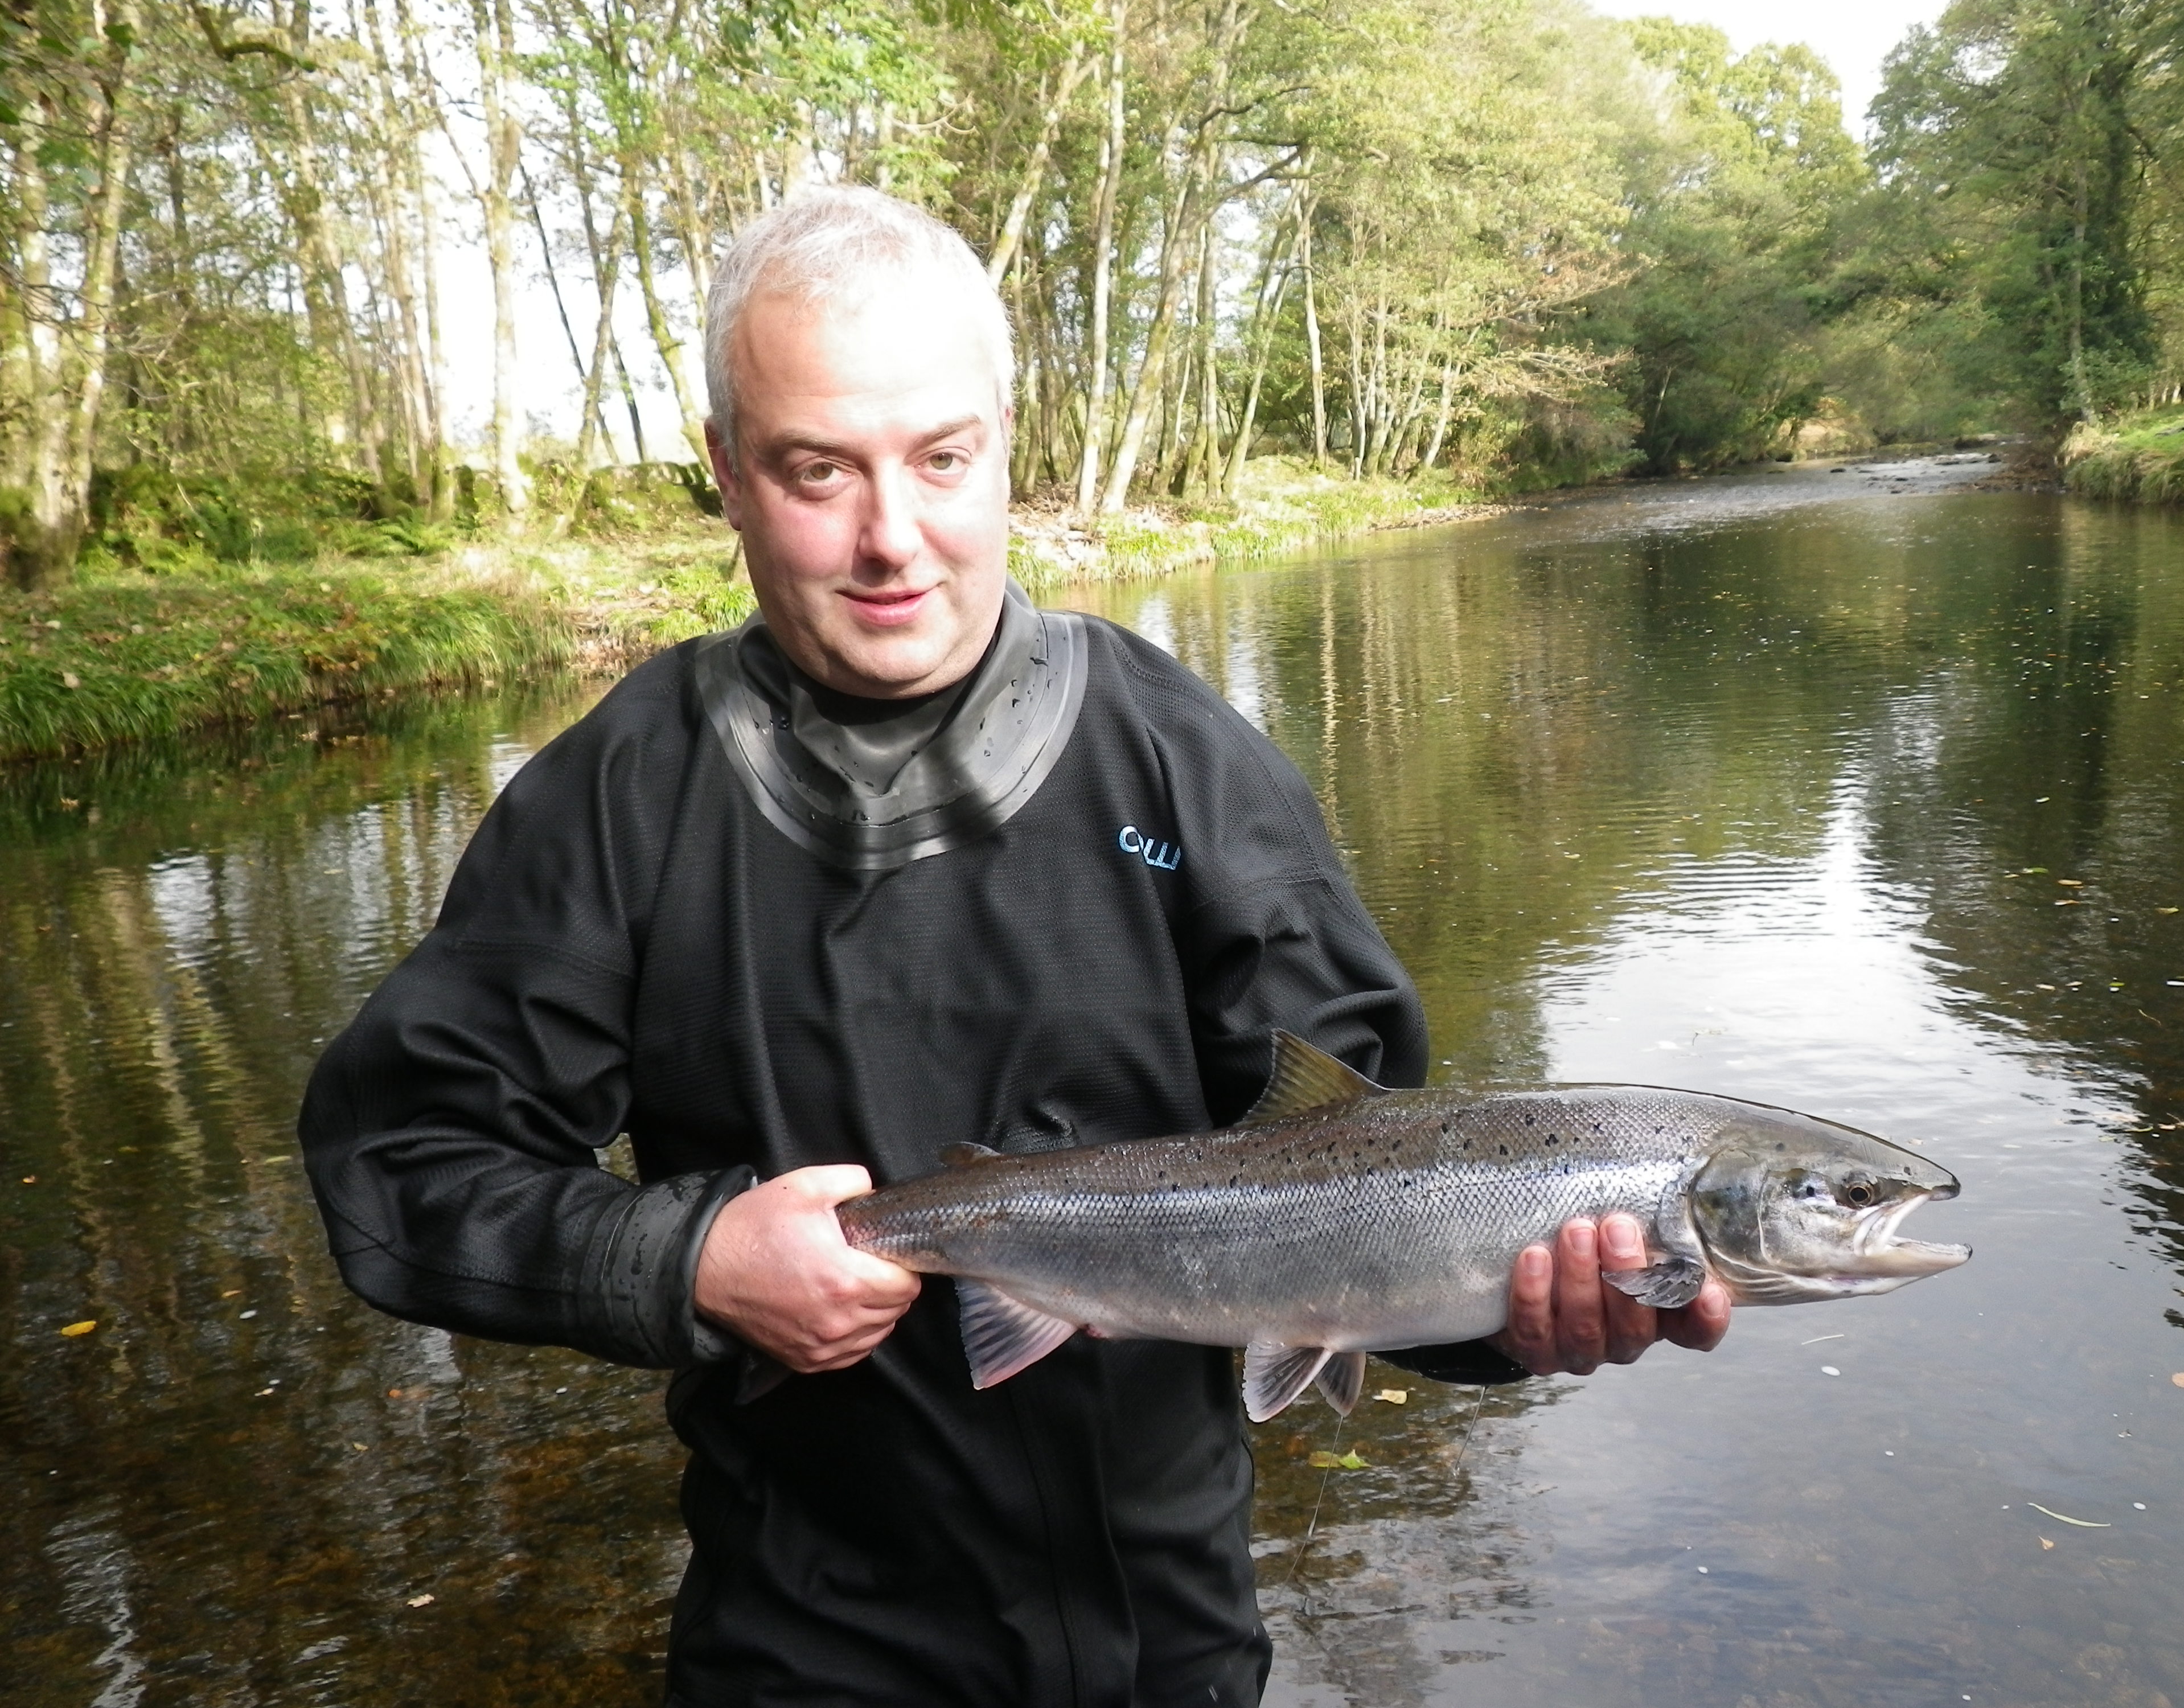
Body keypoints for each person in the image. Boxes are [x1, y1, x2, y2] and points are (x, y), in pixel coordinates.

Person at [298, 186, 1728, 1708]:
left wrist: (1524, 1316)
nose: (889, 539)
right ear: (721, 471)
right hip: (798, 1657)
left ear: (1006, 442)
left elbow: (1375, 1187)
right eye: (814, 470)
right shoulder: (619, 797)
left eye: (940, 460)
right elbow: (403, 1166)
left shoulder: (1193, 770)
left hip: (1167, 1649)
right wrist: (690, 1260)